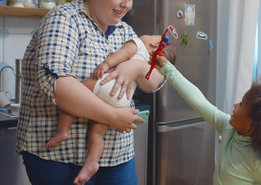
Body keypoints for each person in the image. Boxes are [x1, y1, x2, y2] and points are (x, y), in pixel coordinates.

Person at [16, 0, 166, 185]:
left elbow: (155, 81)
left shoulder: (125, 31)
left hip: (117, 155)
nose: (126, 4)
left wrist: (137, 66)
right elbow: (54, 82)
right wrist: (113, 116)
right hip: (60, 157)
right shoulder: (65, 18)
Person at [153, 55, 261, 185]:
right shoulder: (228, 128)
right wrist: (169, 69)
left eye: (241, 105)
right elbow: (198, 101)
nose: (235, 106)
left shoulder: (259, 164)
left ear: (253, 127)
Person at [46, 34, 177, 184]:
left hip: (106, 85)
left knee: (72, 97)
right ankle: (92, 162)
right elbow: (159, 77)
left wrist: (106, 64)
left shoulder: (138, 45)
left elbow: (123, 54)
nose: (146, 35)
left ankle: (62, 132)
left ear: (154, 44)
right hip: (121, 100)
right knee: (97, 133)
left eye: (152, 35)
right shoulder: (149, 64)